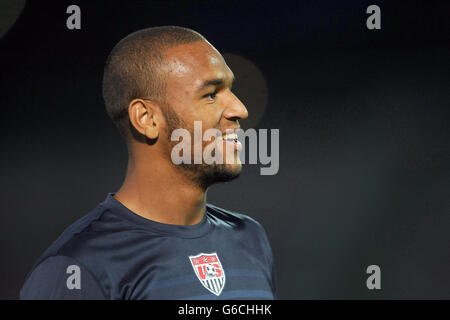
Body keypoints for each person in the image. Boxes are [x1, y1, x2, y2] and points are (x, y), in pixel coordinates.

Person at [20, 26, 275, 299]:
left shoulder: (250, 239)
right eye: (211, 94)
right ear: (147, 119)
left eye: (231, 90)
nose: (240, 109)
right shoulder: (78, 268)